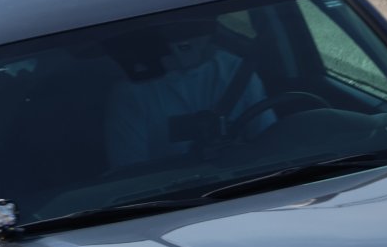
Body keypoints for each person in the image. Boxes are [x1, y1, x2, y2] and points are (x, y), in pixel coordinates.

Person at [104, 18, 273, 169]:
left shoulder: (237, 72)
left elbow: (270, 147)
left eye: (191, 27)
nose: (181, 39)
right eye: (172, 31)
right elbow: (129, 173)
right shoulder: (132, 92)